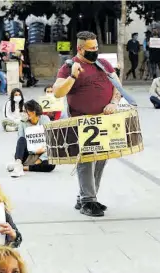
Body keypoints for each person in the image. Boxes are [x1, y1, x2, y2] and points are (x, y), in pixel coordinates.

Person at [53, 31, 122, 217]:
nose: (95, 51)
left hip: (104, 119)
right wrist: (72, 77)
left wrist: (114, 102)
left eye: (96, 47)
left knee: (101, 158)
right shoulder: (68, 67)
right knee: (86, 159)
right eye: (91, 49)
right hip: (82, 120)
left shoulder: (104, 64)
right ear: (80, 49)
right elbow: (57, 92)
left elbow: (117, 84)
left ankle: (87, 196)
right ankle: (88, 200)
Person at [8, 100, 56, 177]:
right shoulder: (22, 123)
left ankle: (24, 168)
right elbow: (20, 143)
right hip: (28, 153)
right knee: (21, 139)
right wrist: (34, 151)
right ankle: (18, 163)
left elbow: (51, 141)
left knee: (51, 164)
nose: (23, 113)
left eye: (25, 111)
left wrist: (41, 158)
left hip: (43, 153)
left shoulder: (45, 119)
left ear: (33, 112)